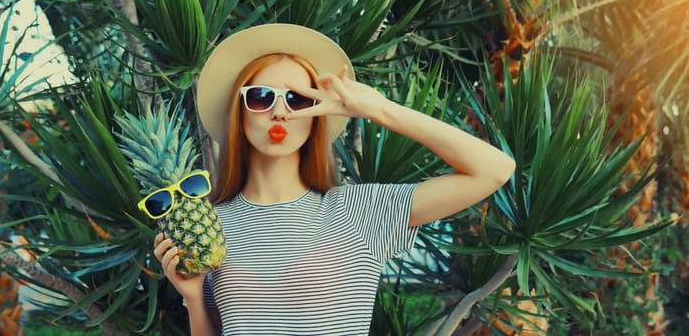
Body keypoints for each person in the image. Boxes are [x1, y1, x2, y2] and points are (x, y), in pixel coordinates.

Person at [153, 23, 515, 335]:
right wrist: (193, 300)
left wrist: (379, 110)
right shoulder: (212, 224)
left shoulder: (360, 211)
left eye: (296, 99)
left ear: (315, 117)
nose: (279, 111)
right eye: (261, 97)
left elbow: (494, 169)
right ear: (240, 114)